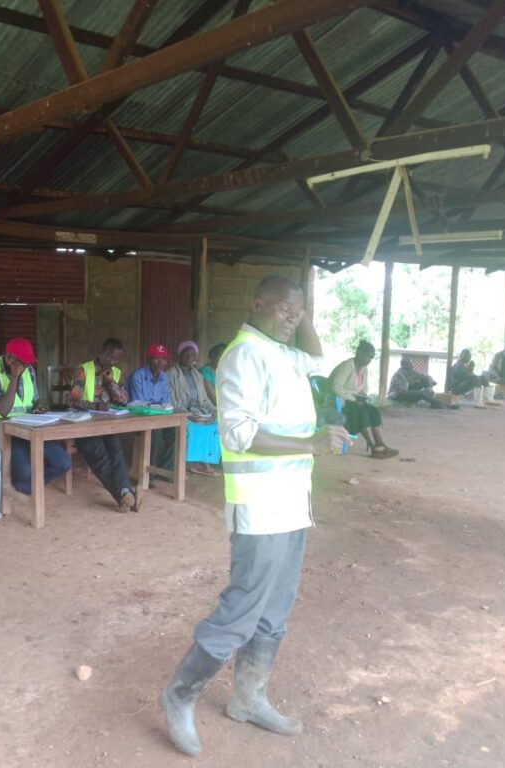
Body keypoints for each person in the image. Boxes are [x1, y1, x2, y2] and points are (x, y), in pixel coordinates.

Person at [161, 275, 350, 758]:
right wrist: (311, 444)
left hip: (291, 504)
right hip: (260, 506)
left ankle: (248, 697)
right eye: (283, 308)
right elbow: (240, 433)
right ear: (257, 303)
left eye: (298, 311)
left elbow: (316, 356)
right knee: (243, 607)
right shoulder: (244, 354)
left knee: (275, 609)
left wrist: (301, 315)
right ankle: (179, 695)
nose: (292, 317)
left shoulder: (284, 354)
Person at [0, 338, 71, 494]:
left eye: (29, 363)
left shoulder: (28, 370)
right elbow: (3, 410)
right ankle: (22, 484)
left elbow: (34, 401)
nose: (28, 366)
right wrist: (15, 377)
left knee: (63, 463)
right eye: (24, 363)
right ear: (9, 359)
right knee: (24, 471)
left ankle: (24, 488)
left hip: (28, 428)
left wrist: (38, 408)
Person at [68, 337, 140, 512]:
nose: (113, 361)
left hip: (109, 424)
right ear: (102, 352)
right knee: (100, 457)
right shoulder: (84, 370)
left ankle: (124, 495)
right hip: (86, 425)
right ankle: (124, 493)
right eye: (110, 356)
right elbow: (72, 399)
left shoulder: (116, 373)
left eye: (116, 358)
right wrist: (94, 405)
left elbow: (123, 401)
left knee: (116, 452)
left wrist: (110, 383)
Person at [328, 341, 399, 459]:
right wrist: (353, 398)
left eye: (371, 358)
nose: (369, 360)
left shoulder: (363, 369)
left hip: (354, 402)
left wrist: (363, 396)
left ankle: (381, 444)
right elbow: (335, 387)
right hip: (341, 403)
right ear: (359, 353)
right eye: (368, 356)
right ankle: (373, 448)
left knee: (373, 411)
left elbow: (364, 388)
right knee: (362, 412)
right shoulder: (347, 366)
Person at [168, 341, 220, 475]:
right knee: (191, 425)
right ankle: (191, 462)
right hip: (180, 412)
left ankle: (205, 460)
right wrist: (187, 414)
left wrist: (215, 411)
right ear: (180, 355)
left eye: (193, 355)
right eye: (186, 354)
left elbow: (204, 400)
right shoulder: (171, 374)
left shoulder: (197, 375)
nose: (189, 357)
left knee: (215, 423)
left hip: (198, 411)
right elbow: (171, 401)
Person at [128, 344, 175, 480]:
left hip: (158, 416)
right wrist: (157, 407)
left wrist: (160, 408)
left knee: (178, 431)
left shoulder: (164, 377)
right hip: (139, 417)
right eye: (156, 358)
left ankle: (164, 470)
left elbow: (166, 402)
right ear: (149, 359)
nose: (160, 362)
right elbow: (137, 403)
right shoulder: (138, 375)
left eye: (163, 359)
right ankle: (150, 475)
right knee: (156, 431)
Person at [388, 357, 456, 408]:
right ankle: (444, 405)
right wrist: (420, 391)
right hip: (396, 396)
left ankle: (434, 403)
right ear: (404, 365)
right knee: (421, 393)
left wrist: (430, 384)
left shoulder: (411, 371)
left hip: (405, 391)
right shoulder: (399, 375)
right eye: (410, 364)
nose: (412, 365)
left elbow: (423, 376)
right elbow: (402, 391)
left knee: (424, 381)